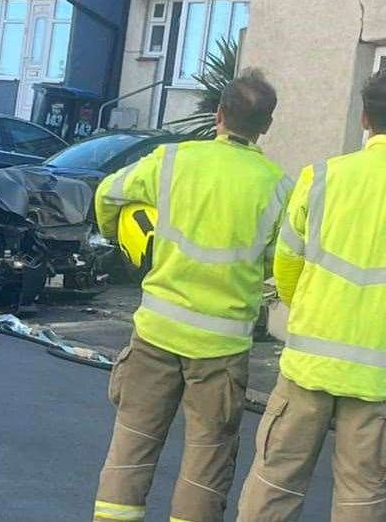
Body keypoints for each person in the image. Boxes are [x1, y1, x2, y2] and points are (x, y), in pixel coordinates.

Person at [92, 69, 291, 522]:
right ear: (266, 126)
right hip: (221, 347)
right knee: (207, 461)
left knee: (133, 444)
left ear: (217, 114)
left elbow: (107, 194)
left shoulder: (171, 160)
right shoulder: (278, 186)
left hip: (156, 332)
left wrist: (127, 244)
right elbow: (280, 263)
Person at [237, 71, 386, 521]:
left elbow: (286, 263)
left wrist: (308, 309)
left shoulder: (321, 177)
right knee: (362, 495)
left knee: (275, 481)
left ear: (363, 118)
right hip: (377, 378)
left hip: (308, 364)